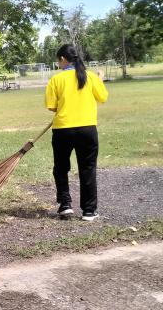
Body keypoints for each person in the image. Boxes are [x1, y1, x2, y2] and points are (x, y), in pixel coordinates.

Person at [45, 44, 108, 221]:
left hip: (63, 130)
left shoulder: (56, 80)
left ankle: (65, 205)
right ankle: (89, 211)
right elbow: (102, 97)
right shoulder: (90, 77)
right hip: (87, 129)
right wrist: (99, 79)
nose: (58, 64)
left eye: (58, 61)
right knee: (87, 168)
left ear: (63, 59)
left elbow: (51, 106)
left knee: (61, 167)